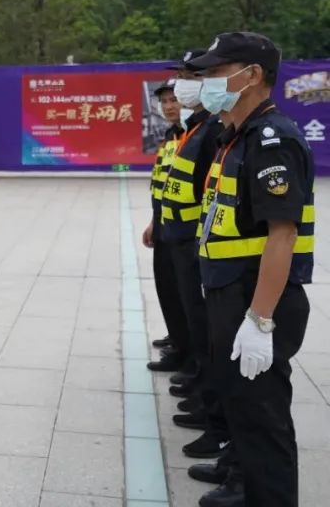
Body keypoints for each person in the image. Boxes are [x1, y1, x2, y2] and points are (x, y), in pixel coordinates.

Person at [186, 32, 316, 507]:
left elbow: (282, 234)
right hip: (229, 290)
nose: (207, 84)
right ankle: (244, 485)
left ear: (252, 75)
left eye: (217, 74)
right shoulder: (235, 136)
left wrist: (261, 320)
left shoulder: (271, 138)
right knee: (242, 406)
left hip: (257, 297)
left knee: (264, 420)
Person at [158, 50, 232, 462]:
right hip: (184, 240)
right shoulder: (194, 129)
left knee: (208, 333)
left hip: (201, 248)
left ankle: (216, 420)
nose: (182, 86)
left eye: (192, 76)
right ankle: (207, 402)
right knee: (198, 329)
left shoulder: (213, 130)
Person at [144, 79, 189, 372]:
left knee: (181, 291)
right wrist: (153, 221)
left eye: (174, 100)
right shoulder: (171, 135)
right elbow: (165, 184)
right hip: (164, 223)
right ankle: (177, 337)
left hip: (183, 230)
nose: (170, 106)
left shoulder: (192, 135)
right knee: (167, 287)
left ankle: (184, 351)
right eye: (165, 102)